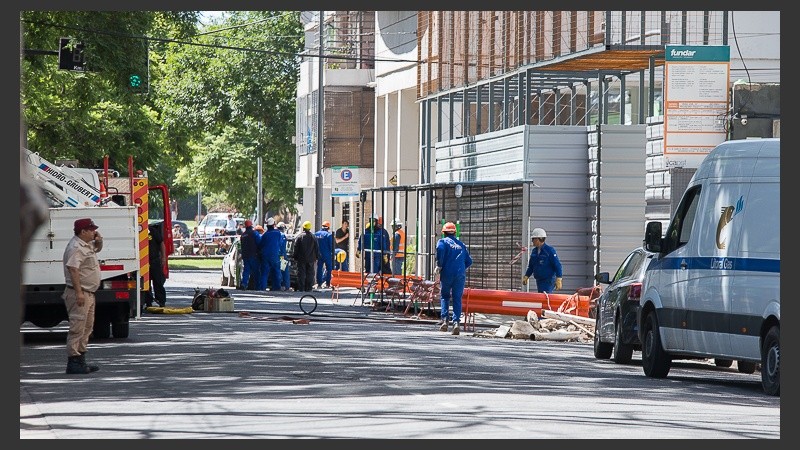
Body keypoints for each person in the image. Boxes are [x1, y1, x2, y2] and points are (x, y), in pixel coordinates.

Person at [62, 218, 103, 374]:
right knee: (77, 327)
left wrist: (99, 240)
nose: (94, 232)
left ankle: (81, 360)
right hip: (79, 293)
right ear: (83, 231)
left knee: (87, 327)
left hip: (89, 293)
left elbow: (97, 249)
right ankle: (73, 361)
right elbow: (73, 269)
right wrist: (79, 292)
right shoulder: (76, 247)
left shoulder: (86, 245)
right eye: (91, 230)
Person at [435, 221, 473, 336]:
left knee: (445, 296)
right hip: (459, 275)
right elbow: (469, 261)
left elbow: (440, 251)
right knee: (457, 298)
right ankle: (456, 323)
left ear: (444, 233)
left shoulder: (442, 242)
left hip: (447, 273)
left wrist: (439, 266)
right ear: (455, 233)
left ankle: (445, 320)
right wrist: (460, 269)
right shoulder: (461, 245)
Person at [522, 227, 563, 293]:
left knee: (545, 297)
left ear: (539, 239)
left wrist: (559, 278)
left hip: (548, 280)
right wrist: (527, 276)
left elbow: (557, 265)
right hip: (539, 280)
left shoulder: (549, 251)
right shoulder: (534, 251)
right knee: (542, 297)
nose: (532, 241)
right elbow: (531, 266)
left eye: (533, 239)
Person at [257, 217, 283, 291]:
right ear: (273, 225)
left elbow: (260, 245)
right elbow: (280, 243)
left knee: (264, 273)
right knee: (276, 271)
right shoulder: (278, 233)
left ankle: (263, 288)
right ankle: (277, 287)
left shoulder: (265, 235)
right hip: (275, 255)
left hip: (265, 256)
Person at [293, 220, 319, 292]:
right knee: (310, 273)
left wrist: (295, 256)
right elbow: (316, 248)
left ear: (303, 228)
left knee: (301, 273)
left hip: (301, 259)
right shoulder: (313, 237)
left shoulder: (299, 237)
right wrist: (317, 256)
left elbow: (296, 247)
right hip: (311, 259)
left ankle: (301, 288)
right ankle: (309, 288)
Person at [146, 221, 167, 308]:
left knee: (158, 281)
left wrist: (163, 257)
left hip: (154, 260)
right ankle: (148, 302)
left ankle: (161, 301)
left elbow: (161, 243)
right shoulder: (138, 231)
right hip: (143, 262)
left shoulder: (152, 231)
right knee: (145, 284)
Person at [239, 219, 261, 290]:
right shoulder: (254, 233)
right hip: (253, 255)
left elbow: (242, 245)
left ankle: (244, 284)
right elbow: (259, 242)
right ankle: (257, 286)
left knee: (246, 270)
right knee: (256, 271)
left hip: (245, 255)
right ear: (251, 225)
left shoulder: (243, 235)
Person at [314, 220, 334, 288]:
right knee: (329, 269)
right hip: (327, 254)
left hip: (319, 254)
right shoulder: (328, 235)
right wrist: (333, 253)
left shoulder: (316, 234)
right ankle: (328, 283)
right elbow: (331, 245)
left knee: (319, 268)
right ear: (328, 227)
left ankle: (319, 283)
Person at [277, 222, 292, 290]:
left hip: (276, 255)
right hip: (282, 256)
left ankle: (278, 286)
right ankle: (286, 286)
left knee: (277, 271)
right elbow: (282, 247)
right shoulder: (282, 235)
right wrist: (282, 256)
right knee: (284, 271)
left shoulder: (275, 234)